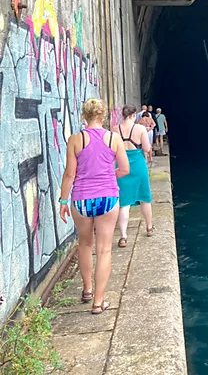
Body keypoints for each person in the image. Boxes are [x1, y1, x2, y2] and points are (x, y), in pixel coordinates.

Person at [59, 98, 130, 314]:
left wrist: (63, 201)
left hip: (81, 199)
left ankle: (87, 289)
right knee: (105, 249)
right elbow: (125, 169)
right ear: (103, 116)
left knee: (85, 244)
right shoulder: (113, 138)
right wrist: (109, 176)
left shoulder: (75, 139)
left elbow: (70, 174)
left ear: (84, 116)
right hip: (108, 198)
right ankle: (98, 302)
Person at [112, 105, 154, 248]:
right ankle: (149, 227)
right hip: (138, 165)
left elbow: (112, 149)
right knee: (144, 198)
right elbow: (147, 149)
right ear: (134, 114)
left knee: (124, 202)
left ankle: (123, 236)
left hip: (121, 165)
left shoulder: (115, 129)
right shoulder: (140, 129)